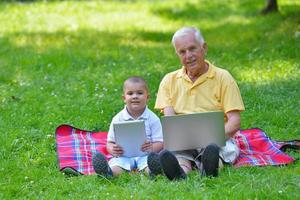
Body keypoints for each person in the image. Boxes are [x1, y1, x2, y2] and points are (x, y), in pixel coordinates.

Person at [148, 27, 245, 180]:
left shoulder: (223, 77)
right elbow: (171, 120)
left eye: (192, 49)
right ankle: (180, 173)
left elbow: (234, 121)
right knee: (177, 154)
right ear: (177, 55)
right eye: (182, 52)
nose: (188, 56)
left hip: (217, 137)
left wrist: (213, 137)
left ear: (204, 48)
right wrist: (178, 139)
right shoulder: (169, 80)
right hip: (184, 139)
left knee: (216, 150)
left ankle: (209, 168)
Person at [92, 76, 163, 177]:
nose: (135, 96)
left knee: (148, 165)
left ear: (147, 97)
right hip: (123, 156)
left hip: (145, 155)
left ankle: (154, 172)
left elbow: (160, 142)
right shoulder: (118, 118)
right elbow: (110, 142)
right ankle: (107, 172)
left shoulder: (153, 118)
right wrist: (112, 149)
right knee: (117, 166)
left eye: (140, 93)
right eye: (130, 93)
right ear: (124, 98)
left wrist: (152, 148)